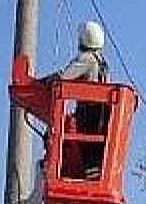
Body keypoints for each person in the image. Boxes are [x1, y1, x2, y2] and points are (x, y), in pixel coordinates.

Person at [43, 21, 110, 179]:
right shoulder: (102, 62)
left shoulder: (86, 59)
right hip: (101, 111)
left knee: (86, 146)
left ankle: (89, 176)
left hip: (88, 110)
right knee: (95, 149)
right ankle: (93, 175)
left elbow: (64, 76)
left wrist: (42, 82)